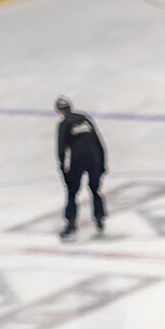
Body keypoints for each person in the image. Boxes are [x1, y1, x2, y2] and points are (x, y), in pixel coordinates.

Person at [54, 97, 106, 241]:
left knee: (72, 192)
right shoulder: (85, 118)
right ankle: (99, 218)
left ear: (59, 111)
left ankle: (71, 224)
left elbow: (61, 148)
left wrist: (63, 168)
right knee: (95, 189)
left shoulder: (64, 124)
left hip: (78, 159)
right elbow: (98, 141)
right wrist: (102, 162)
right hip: (94, 157)